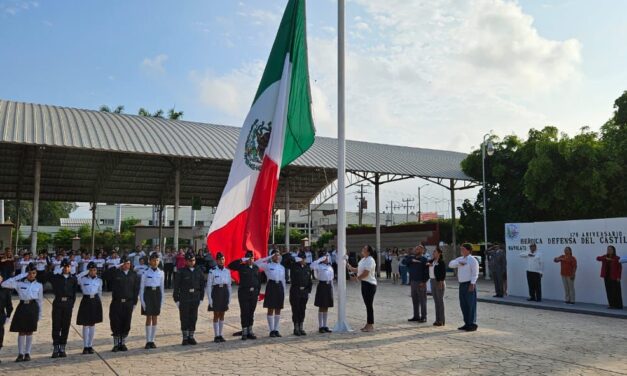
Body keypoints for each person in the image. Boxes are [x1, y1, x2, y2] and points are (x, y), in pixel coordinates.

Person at [2, 263, 43, 362]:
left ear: (36, 274)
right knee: (21, 331)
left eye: (33, 273)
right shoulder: (19, 283)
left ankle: (27, 353)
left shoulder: (39, 285)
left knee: (29, 331)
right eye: (29, 273)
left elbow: (40, 301)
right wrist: (21, 275)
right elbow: (4, 284)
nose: (31, 275)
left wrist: (39, 315)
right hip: (22, 307)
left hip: (33, 307)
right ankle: (20, 353)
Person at [103, 255, 140, 352]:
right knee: (116, 322)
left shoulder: (133, 274)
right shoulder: (116, 273)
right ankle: (116, 344)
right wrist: (116, 266)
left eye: (128, 263)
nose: (126, 265)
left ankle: (122, 343)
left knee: (126, 322)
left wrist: (135, 302)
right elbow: (104, 275)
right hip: (117, 302)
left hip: (128, 302)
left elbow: (136, 289)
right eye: (124, 263)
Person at [46, 259, 78, 358]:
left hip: (68, 303)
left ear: (70, 267)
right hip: (58, 303)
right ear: (61, 267)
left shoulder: (73, 279)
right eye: (64, 267)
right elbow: (47, 276)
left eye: (68, 266)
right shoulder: (56, 278)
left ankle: (63, 347)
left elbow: (74, 293)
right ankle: (56, 347)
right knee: (56, 325)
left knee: (65, 326)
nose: (66, 268)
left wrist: (71, 304)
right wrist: (50, 268)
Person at [173, 251, 205, 345]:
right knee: (184, 317)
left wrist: (201, 298)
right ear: (186, 261)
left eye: (193, 260)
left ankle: (191, 336)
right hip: (184, 297)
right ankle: (185, 337)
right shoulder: (181, 271)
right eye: (190, 260)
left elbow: (202, 285)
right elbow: (176, 286)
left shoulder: (198, 271)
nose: (192, 262)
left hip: (195, 297)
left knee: (193, 317)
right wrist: (176, 299)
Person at [228, 250, 261, 340]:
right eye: (248, 258)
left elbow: (259, 282)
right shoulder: (242, 267)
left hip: (254, 293)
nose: (250, 260)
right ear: (245, 259)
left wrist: (258, 293)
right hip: (244, 293)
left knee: (251, 312)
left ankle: (250, 330)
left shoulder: (256, 268)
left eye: (252, 258)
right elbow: (230, 266)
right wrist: (241, 259)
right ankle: (244, 331)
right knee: (245, 312)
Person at [255, 249, 287, 337]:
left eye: (278, 255)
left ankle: (276, 329)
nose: (277, 257)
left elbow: (283, 280)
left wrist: (284, 291)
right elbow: (256, 263)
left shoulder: (282, 267)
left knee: (278, 308)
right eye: (275, 255)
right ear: (272, 256)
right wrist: (269, 257)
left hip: (279, 286)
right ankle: (271, 330)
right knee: (270, 308)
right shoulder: (267, 265)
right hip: (271, 286)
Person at [448, 243, 479, 332]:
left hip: (469, 284)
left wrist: (472, 283)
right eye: (461, 249)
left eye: (463, 249)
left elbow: (475, 273)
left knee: (470, 304)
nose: (461, 251)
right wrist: (458, 263)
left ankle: (472, 324)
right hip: (462, 284)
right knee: (463, 305)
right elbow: (450, 264)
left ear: (468, 250)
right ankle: (466, 323)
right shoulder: (460, 259)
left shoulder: (472, 260)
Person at [347, 245, 377, 332]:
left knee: (369, 305)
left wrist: (356, 279)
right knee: (367, 305)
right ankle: (368, 324)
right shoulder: (363, 259)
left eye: (364, 248)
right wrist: (351, 268)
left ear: (368, 251)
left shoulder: (370, 260)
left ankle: (370, 325)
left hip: (370, 284)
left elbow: (366, 273)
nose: (362, 249)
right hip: (364, 283)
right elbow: (358, 269)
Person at [76, 261, 103, 355]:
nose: (92, 272)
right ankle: (85, 346)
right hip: (86, 301)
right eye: (91, 270)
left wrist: (100, 303)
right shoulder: (83, 279)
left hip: (95, 301)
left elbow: (100, 292)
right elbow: (77, 277)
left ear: (96, 271)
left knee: (92, 324)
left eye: (94, 270)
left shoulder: (99, 280)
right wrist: (85, 271)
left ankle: (90, 345)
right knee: (85, 324)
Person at [284, 250, 313, 336]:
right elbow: (285, 262)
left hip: (304, 292)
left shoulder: (308, 267)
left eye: (304, 258)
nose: (303, 260)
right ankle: (296, 327)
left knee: (302, 309)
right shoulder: (293, 266)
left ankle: (301, 326)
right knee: (295, 309)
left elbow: (309, 280)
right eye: (301, 258)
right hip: (295, 291)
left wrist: (308, 291)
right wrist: (290, 255)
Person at [140, 253, 165, 349]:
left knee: (155, 318)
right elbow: (142, 288)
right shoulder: (145, 272)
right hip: (148, 295)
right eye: (153, 260)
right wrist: (142, 301)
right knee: (148, 318)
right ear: (150, 261)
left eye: (157, 260)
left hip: (157, 294)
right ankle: (147, 340)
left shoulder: (161, 273)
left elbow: (162, 288)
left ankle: (152, 340)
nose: (155, 262)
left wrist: (162, 302)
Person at [206, 252, 231, 343]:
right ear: (216, 261)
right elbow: (208, 286)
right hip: (216, 292)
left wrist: (229, 298)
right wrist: (210, 299)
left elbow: (229, 286)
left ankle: (221, 334)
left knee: (222, 314)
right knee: (216, 314)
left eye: (223, 259)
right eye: (220, 259)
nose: (221, 261)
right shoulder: (212, 271)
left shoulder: (227, 271)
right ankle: (216, 335)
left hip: (224, 292)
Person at [311, 252, 334, 333]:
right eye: (325, 257)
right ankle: (320, 326)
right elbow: (312, 265)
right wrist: (319, 259)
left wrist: (332, 289)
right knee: (321, 305)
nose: (327, 258)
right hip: (322, 285)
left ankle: (325, 325)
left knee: (327, 306)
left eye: (328, 257)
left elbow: (331, 278)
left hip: (328, 286)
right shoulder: (319, 266)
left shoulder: (330, 267)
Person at [406, 245, 429, 323]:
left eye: (418, 249)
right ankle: (416, 316)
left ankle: (424, 316)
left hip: (421, 282)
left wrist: (424, 281)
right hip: (413, 282)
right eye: (415, 249)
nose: (416, 250)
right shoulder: (411, 258)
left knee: (422, 300)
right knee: (414, 299)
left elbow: (427, 272)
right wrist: (412, 260)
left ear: (422, 251)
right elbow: (404, 262)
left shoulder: (424, 259)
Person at [427, 247, 446, 326]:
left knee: (440, 301)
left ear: (439, 253)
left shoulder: (441, 262)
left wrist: (441, 281)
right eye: (433, 252)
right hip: (432, 281)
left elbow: (443, 273)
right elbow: (426, 264)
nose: (433, 253)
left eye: (435, 252)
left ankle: (441, 320)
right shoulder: (431, 261)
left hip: (438, 282)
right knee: (436, 301)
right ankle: (437, 319)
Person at [0, 273, 14, 363]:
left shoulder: (5, 291)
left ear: (1, 279)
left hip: (0, 315)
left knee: (0, 336)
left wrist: (8, 316)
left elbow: (9, 306)